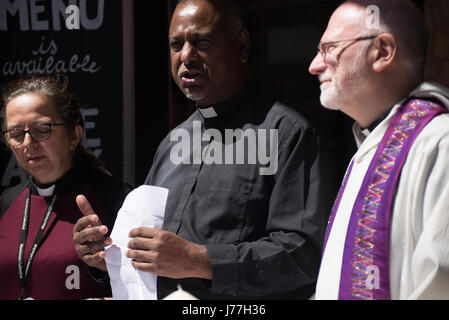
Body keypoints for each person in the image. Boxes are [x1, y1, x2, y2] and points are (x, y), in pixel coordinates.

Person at [73, 0, 336, 299]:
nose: (186, 55)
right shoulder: (172, 143)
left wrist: (200, 260)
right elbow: (158, 256)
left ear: (241, 46)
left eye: (202, 42)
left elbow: (303, 254)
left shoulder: (289, 133)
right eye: (176, 45)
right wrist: (109, 255)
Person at [308, 0, 449, 300]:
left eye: (329, 48)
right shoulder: (368, 149)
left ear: (382, 52)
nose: (314, 65)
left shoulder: (440, 142)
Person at [0, 74, 130, 300]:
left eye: (41, 129)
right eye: (16, 134)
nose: (28, 144)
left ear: (74, 135)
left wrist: (106, 266)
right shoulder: (6, 202)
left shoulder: (116, 200)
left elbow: (146, 283)